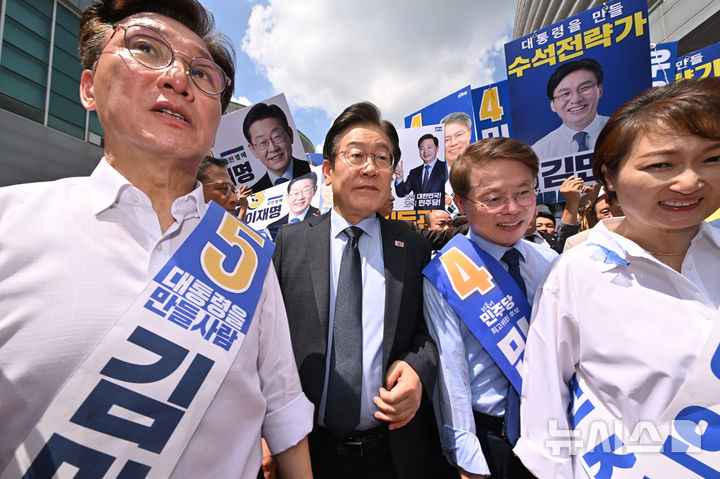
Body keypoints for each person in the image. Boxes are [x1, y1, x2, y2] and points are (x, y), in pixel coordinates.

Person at [0, 1, 313, 477]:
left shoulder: (246, 259)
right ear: (88, 87)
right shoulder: (10, 224)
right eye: (145, 49)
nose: (177, 79)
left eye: (202, 74)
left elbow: (285, 408)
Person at [516, 78, 720, 478]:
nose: (690, 181)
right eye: (661, 165)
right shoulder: (575, 275)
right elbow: (546, 423)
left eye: (711, 159)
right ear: (610, 177)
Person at [272, 102, 452, 479]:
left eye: (382, 158)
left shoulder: (412, 246)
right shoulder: (286, 246)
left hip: (394, 454)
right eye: (356, 155)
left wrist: (419, 369)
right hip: (306, 452)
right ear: (327, 170)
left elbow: (431, 331)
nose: (370, 168)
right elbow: (264, 345)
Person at [424, 137, 557, 479]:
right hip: (494, 438)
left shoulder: (550, 260)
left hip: (556, 427)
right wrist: (468, 459)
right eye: (494, 199)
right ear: (460, 203)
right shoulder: (447, 271)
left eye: (524, 192)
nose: (513, 208)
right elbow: (451, 375)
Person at [532, 58, 608, 160]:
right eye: (565, 94)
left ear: (600, 90)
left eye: (584, 88)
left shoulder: (624, 130)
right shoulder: (539, 152)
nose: (576, 100)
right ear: (553, 105)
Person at [243, 102, 311, 191]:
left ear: (290, 135)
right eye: (262, 142)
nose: (273, 148)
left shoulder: (314, 171)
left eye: (277, 137)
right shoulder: (253, 193)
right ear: (252, 149)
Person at [268, 172, 320, 238]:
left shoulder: (322, 217)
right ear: (287, 197)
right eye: (295, 193)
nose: (300, 197)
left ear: (314, 190)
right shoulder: (273, 226)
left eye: (306, 190)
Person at [394, 133, 446, 197]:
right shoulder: (414, 173)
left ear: (437, 148)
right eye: (422, 148)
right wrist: (399, 179)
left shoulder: (445, 168)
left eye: (429, 147)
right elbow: (401, 193)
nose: (426, 151)